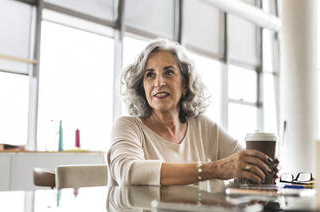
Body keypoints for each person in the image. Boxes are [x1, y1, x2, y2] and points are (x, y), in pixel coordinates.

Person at [107, 39, 277, 189]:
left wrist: (260, 168)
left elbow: (241, 166)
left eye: (169, 72)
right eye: (150, 75)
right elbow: (129, 173)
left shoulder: (202, 126)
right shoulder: (127, 126)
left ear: (185, 83)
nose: (159, 83)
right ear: (142, 86)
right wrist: (215, 169)